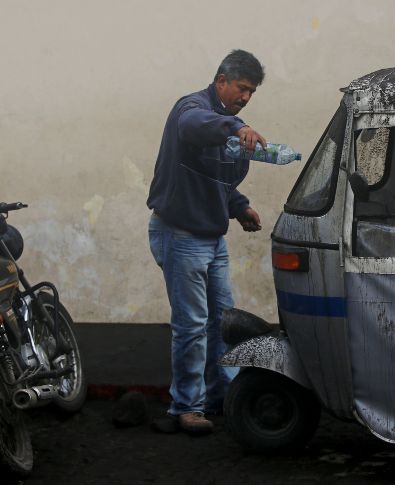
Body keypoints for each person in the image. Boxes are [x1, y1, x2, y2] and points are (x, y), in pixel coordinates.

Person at [146, 49, 266, 435]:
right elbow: (193, 126)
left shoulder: (228, 123)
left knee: (223, 322)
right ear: (221, 81)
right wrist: (234, 128)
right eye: (242, 88)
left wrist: (240, 207)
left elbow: (219, 180)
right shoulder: (192, 109)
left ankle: (222, 398)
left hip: (212, 238)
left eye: (251, 92)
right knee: (192, 325)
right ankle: (185, 407)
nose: (245, 97)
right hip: (180, 236)